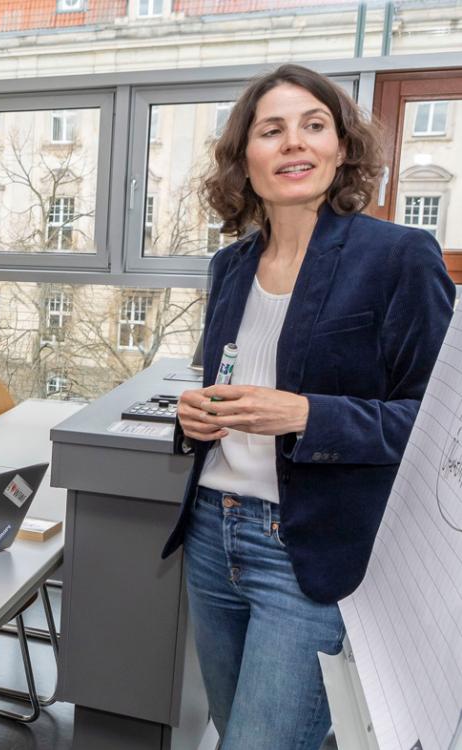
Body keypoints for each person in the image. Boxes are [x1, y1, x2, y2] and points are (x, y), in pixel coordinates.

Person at [164, 64, 455, 748]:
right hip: (212, 532)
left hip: (306, 549)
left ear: (343, 148)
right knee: (234, 728)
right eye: (272, 130)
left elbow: (443, 432)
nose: (294, 143)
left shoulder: (399, 258)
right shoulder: (230, 266)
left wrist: (306, 415)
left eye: (313, 126)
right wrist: (196, 416)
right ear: (246, 159)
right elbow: (232, 380)